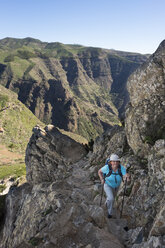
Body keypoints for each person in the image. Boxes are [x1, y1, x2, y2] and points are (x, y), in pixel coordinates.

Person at [98, 154, 130, 218]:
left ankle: (107, 203)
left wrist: (127, 177)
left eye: (116, 161)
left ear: (118, 162)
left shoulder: (121, 168)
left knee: (112, 198)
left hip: (116, 186)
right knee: (111, 198)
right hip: (107, 184)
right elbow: (99, 171)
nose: (115, 163)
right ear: (111, 162)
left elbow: (125, 174)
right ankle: (110, 213)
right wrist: (101, 179)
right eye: (113, 161)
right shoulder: (107, 168)